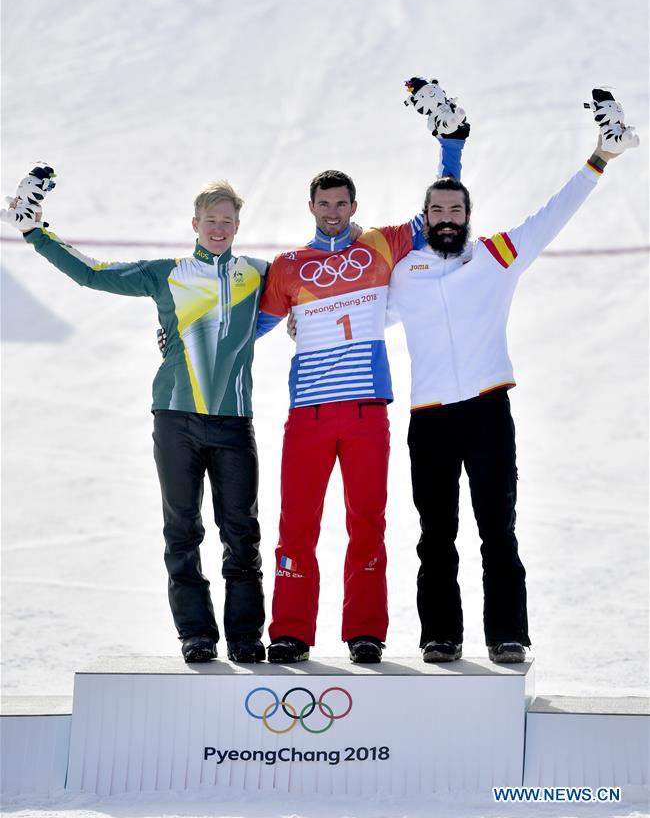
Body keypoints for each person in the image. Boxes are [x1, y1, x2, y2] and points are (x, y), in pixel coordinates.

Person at [387, 88, 638, 664]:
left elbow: (553, 213)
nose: (446, 219)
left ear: (467, 217)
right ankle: (440, 635)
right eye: (437, 212)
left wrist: (599, 158)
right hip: (428, 419)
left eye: (455, 211)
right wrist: (305, 325)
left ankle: (507, 634)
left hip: (486, 412)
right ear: (424, 220)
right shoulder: (405, 275)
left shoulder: (498, 255)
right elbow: (359, 313)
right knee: (435, 537)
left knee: (497, 528)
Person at [2, 175, 269, 664]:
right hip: (175, 419)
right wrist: (36, 233)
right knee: (182, 531)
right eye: (210, 220)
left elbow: (303, 293)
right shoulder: (166, 273)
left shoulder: (257, 273)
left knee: (242, 534)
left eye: (227, 221)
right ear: (195, 223)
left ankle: (247, 636)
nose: (218, 228)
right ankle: (197, 634)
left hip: (233, 422)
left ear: (237, 226)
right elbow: (95, 273)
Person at [256, 78, 470, 664]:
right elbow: (250, 333)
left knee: (367, 525)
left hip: (366, 412)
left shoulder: (378, 243)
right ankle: (291, 631)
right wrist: (186, 340)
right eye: (323, 204)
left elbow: (441, 209)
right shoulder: (288, 266)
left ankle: (365, 631)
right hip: (309, 414)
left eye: (341, 203)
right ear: (311, 207)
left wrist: (451, 145)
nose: (332, 212)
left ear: (354, 205)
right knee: (296, 524)